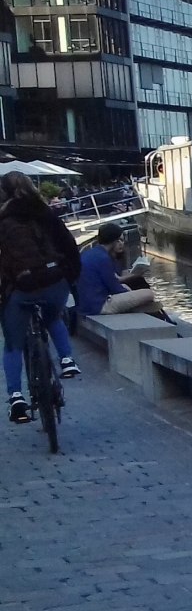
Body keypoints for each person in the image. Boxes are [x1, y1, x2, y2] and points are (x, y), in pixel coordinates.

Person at [0, 172, 81, 424]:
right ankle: (67, 360)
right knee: (52, 317)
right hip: (55, 280)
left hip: (21, 286)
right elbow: (69, 246)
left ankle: (16, 398)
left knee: (13, 343)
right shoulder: (47, 213)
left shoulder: (2, 219)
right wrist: (71, 276)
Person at [76, 222, 164, 319]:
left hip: (87, 304)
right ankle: (147, 311)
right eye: (119, 240)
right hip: (99, 306)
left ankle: (144, 310)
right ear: (114, 240)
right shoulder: (103, 258)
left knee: (127, 287)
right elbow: (115, 288)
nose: (121, 243)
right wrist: (131, 294)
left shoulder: (89, 254)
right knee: (148, 294)